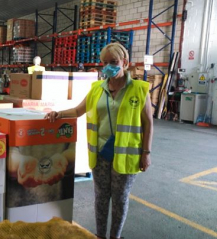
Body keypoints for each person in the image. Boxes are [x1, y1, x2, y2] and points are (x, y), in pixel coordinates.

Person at [45, 42, 153, 239]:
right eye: (105, 62)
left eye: (114, 62)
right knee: (101, 199)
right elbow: (79, 110)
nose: (109, 66)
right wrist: (58, 114)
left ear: (125, 62)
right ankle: (100, 236)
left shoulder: (140, 90)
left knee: (120, 199)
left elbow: (148, 124)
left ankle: (115, 236)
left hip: (127, 155)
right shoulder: (97, 88)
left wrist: (146, 153)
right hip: (101, 153)